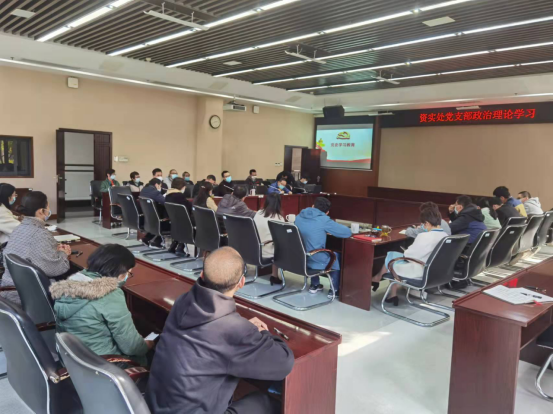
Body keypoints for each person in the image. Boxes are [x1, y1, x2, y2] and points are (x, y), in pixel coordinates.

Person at [146, 247, 294, 415]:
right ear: (241, 283)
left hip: (154, 406)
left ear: (202, 275)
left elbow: (214, 335)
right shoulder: (235, 330)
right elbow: (284, 363)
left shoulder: (182, 302)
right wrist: (261, 333)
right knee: (268, 403)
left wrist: (244, 330)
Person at [50, 244, 155, 367]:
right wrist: (147, 345)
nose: (127, 277)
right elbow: (131, 347)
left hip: (72, 361)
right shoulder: (110, 294)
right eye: (128, 273)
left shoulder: (72, 282)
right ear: (119, 272)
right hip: (102, 365)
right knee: (153, 356)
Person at [0, 191, 70, 305]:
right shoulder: (40, 233)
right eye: (48, 207)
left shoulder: (19, 228)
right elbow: (55, 269)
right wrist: (63, 253)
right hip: (29, 295)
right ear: (41, 211)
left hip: (9, 290)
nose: (49, 210)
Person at [372, 204, 447, 305]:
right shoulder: (445, 235)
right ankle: (390, 293)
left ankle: (383, 284)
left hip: (420, 271)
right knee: (393, 256)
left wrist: (406, 251)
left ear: (427, 223)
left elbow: (409, 255)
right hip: (436, 271)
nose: (422, 226)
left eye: (423, 224)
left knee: (391, 258)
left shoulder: (424, 236)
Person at [295, 197, 352, 299]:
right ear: (327, 212)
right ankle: (334, 289)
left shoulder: (299, 216)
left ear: (313, 206)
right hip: (313, 257)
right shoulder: (324, 220)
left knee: (312, 247)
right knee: (335, 255)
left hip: (299, 256)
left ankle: (315, 284)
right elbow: (347, 233)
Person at [165, 178, 194, 255]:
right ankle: (180, 247)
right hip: (183, 220)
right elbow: (188, 207)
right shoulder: (179, 196)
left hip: (174, 219)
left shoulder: (168, 195)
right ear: (182, 186)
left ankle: (173, 246)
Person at [254, 193, 285, 259]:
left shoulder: (258, 213)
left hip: (256, 249)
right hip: (269, 252)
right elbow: (281, 239)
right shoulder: (279, 218)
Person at [140, 179, 169, 248]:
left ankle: (146, 238)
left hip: (147, 216)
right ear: (156, 184)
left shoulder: (144, 190)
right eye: (160, 186)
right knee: (168, 220)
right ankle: (157, 241)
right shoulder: (155, 192)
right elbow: (164, 201)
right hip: (156, 218)